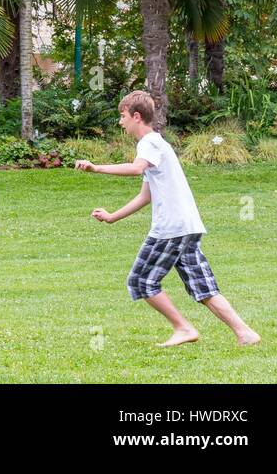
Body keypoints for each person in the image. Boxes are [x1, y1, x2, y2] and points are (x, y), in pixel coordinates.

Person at [74, 89, 260, 348]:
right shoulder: (159, 145)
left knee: (141, 281)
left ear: (136, 116)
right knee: (202, 286)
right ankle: (245, 333)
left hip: (171, 228)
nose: (120, 122)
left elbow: (136, 168)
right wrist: (112, 217)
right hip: (188, 226)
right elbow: (146, 195)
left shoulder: (148, 144)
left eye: (123, 116)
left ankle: (183, 328)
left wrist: (96, 167)